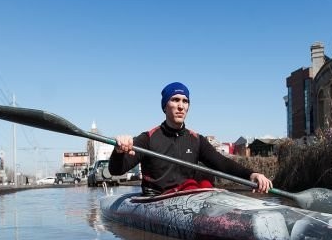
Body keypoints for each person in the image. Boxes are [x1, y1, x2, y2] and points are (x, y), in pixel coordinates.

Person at [110, 82, 273, 196]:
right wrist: (118, 151)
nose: (181, 106)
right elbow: (116, 170)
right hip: (156, 199)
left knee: (205, 179)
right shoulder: (147, 138)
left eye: (185, 101)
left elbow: (222, 163)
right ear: (165, 106)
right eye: (175, 100)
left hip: (190, 196)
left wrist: (252, 175)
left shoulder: (196, 140)